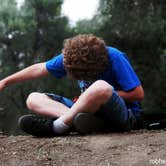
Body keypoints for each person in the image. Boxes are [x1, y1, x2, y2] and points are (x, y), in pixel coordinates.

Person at [0, 34, 144, 137]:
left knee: (101, 87)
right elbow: (39, 69)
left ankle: (58, 127)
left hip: (122, 115)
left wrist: (91, 97)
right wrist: (5, 82)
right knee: (33, 98)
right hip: (85, 113)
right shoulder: (71, 57)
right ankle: (79, 122)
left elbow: (138, 94)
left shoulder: (115, 57)